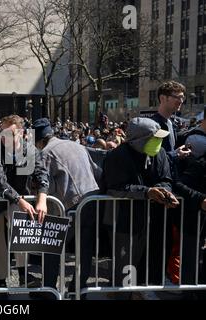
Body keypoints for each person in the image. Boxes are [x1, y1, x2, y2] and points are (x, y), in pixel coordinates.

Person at [102, 117, 179, 298]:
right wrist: (146, 192)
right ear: (139, 139)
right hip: (123, 219)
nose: (159, 141)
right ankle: (122, 293)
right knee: (125, 261)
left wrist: (165, 192)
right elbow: (115, 187)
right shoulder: (117, 156)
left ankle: (139, 290)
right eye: (155, 138)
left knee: (146, 259)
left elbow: (165, 178)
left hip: (152, 217)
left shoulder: (159, 153)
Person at [33, 118, 101, 294]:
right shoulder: (77, 146)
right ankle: (78, 288)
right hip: (91, 199)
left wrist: (40, 199)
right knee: (84, 249)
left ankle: (49, 290)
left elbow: (43, 180)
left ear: (39, 141)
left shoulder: (45, 152)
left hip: (70, 204)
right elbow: (96, 171)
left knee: (52, 247)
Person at [0, 115, 48, 289]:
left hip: (20, 200)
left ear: (21, 133)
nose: (5, 137)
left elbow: (42, 175)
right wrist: (19, 200)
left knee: (21, 236)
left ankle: (23, 274)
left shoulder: (31, 151)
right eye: (2, 133)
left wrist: (42, 199)